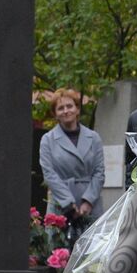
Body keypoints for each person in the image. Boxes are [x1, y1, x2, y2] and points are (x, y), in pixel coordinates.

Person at [39, 88, 105, 240]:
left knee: (91, 254)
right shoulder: (47, 140)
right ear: (55, 114)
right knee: (58, 255)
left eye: (69, 106)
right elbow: (49, 174)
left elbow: (99, 172)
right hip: (61, 205)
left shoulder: (94, 138)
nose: (66, 111)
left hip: (90, 204)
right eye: (60, 108)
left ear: (77, 109)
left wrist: (87, 201)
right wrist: (68, 204)